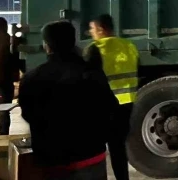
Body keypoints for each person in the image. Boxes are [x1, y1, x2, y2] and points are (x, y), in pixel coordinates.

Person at [18, 20, 117, 179]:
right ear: (73, 42)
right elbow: (111, 109)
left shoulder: (32, 78)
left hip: (53, 162)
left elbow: (28, 115)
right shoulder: (91, 74)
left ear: (47, 45)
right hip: (91, 158)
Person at [85, 14, 139, 180]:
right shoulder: (129, 45)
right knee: (118, 149)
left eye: (92, 29)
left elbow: (89, 80)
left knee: (96, 150)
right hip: (127, 104)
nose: (91, 32)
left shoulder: (95, 49)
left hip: (104, 106)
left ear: (101, 29)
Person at [0, 17, 16, 135]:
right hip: (5, 80)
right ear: (6, 26)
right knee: (4, 110)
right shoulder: (10, 40)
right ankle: (3, 135)